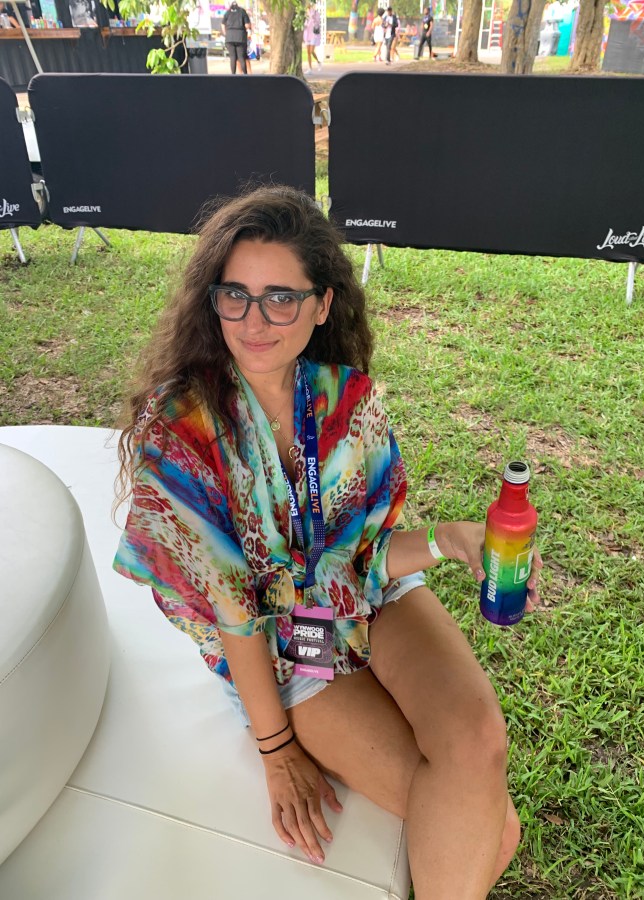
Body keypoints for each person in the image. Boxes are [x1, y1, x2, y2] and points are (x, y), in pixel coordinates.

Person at [114, 185, 541, 898]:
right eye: (235, 295)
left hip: (367, 596)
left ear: (321, 305)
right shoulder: (182, 426)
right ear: (210, 299)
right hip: (281, 643)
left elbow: (365, 558)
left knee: (475, 743)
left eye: (281, 297)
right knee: (496, 832)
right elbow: (232, 610)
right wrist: (277, 750)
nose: (255, 320)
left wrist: (448, 540)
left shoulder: (344, 399)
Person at [222, 0, 251, 75]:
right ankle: (245, 74)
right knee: (241, 57)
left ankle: (233, 75)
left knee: (232, 57)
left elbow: (222, 24)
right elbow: (247, 25)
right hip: (240, 37)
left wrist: (226, 33)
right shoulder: (242, 12)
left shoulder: (227, 13)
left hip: (229, 37)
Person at [303, 2, 321, 73]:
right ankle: (310, 68)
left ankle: (318, 62)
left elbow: (317, 22)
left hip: (313, 34)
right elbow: (305, 23)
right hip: (307, 34)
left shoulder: (316, 13)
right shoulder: (305, 13)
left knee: (311, 51)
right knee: (308, 52)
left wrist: (313, 17)